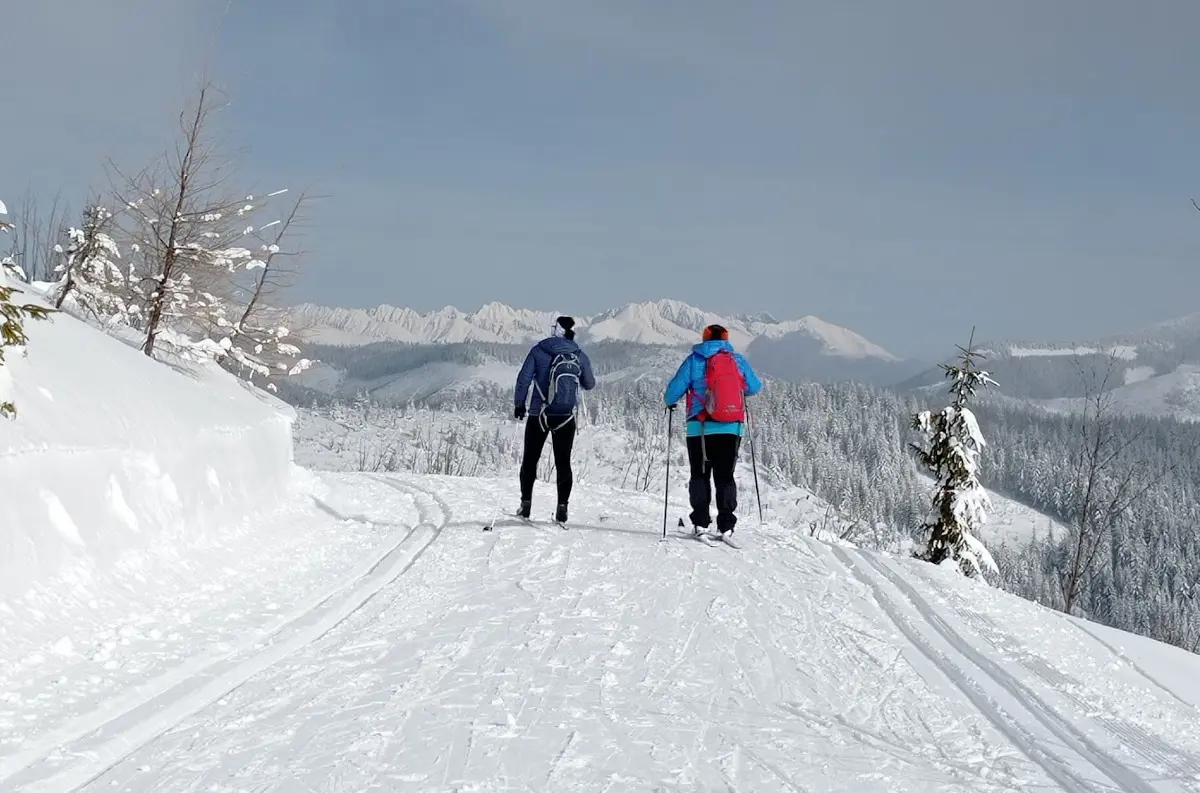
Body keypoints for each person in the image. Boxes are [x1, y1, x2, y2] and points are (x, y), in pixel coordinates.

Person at [663, 324, 763, 539]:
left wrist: (671, 403)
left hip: (698, 428)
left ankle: (701, 523)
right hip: (730, 427)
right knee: (725, 477)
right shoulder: (736, 360)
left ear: (704, 338)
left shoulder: (695, 360)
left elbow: (672, 392)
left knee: (700, 475)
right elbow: (754, 387)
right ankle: (726, 525)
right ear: (725, 339)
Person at [513, 315, 596, 522]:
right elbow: (590, 383)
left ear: (555, 330)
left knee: (530, 460)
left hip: (538, 414)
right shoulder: (578, 354)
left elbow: (523, 379)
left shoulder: (539, 350)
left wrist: (519, 404)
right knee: (563, 463)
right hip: (565, 416)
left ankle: (526, 504)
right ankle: (562, 507)